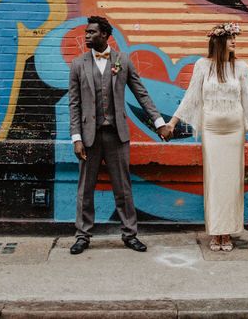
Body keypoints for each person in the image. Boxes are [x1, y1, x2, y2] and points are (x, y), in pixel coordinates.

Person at [68, 15, 173, 254]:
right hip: (88, 137)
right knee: (85, 188)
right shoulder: (78, 64)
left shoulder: (122, 61)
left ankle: (129, 234)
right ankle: (82, 235)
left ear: (105, 35)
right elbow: (73, 105)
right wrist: (76, 137)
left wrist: (159, 122)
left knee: (123, 187)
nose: (86, 36)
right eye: (86, 32)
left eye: (92, 32)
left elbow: (141, 94)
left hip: (117, 136)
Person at [166, 22, 248, 252]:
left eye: (234, 38)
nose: (234, 41)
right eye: (230, 38)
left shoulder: (241, 67)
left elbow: (247, 99)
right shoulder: (202, 66)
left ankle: (227, 232)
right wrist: (172, 123)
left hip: (235, 130)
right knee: (215, 181)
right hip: (212, 131)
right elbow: (190, 97)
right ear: (218, 41)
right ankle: (216, 231)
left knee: (232, 183)